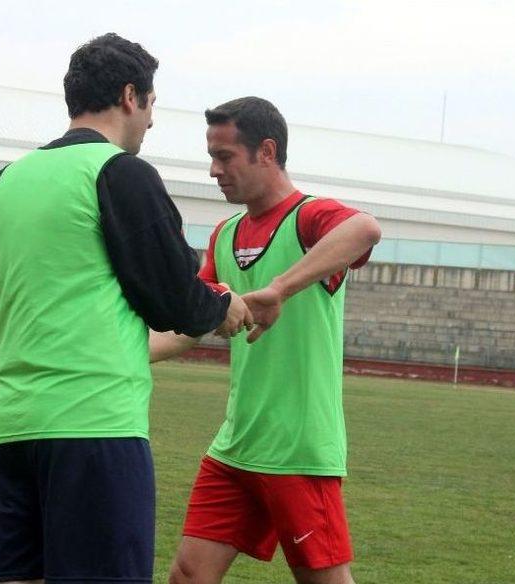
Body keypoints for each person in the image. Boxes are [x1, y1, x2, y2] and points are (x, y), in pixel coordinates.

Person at [0, 34, 252, 584]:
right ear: (131, 96)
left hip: (12, 429)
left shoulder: (6, 182)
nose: (151, 122)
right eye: (152, 105)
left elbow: (51, 299)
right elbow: (176, 296)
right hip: (94, 430)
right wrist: (224, 308)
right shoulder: (119, 172)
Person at [151, 97, 381, 584]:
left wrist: (279, 289)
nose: (214, 170)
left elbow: (365, 228)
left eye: (226, 156)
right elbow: (193, 324)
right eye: (211, 156)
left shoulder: (310, 218)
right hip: (234, 447)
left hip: (297, 450)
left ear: (267, 152)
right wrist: (119, 356)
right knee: (188, 575)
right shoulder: (225, 233)